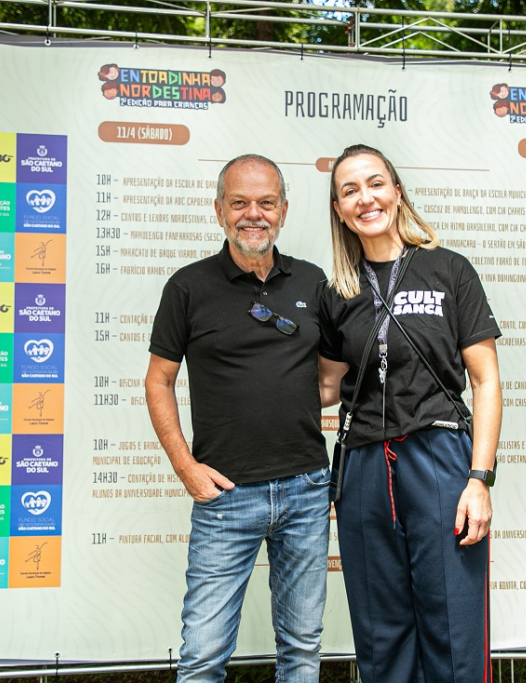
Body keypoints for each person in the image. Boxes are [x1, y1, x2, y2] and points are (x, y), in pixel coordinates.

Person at [145, 154, 337, 683]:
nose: (254, 214)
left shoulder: (313, 282)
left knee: (302, 648)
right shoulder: (188, 287)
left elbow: (328, 380)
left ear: (284, 211)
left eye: (266, 203)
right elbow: (158, 382)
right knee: (203, 655)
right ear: (219, 211)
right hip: (225, 495)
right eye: (240, 203)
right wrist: (186, 468)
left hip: (305, 489)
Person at [319, 144, 503, 683]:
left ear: (397, 192)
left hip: (439, 457)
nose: (365, 198)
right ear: (339, 210)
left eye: (375, 184)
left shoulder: (449, 269)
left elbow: (486, 380)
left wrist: (479, 479)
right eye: (350, 190)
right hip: (363, 467)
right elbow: (326, 385)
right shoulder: (337, 293)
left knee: (454, 629)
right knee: (381, 635)